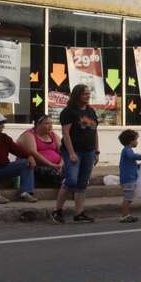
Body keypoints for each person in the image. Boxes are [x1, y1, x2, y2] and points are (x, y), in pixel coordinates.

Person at [52, 83, 99, 223]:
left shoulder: (91, 111)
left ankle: (79, 212)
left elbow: (94, 131)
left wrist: (96, 150)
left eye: (88, 93)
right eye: (85, 94)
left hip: (89, 151)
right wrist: (71, 153)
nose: (87, 96)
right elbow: (65, 134)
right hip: (74, 151)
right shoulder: (69, 112)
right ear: (77, 95)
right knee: (71, 180)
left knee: (83, 182)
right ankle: (57, 210)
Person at [0, 111, 37, 203]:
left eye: (3, 123)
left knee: (25, 163)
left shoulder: (4, 137)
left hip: (2, 169)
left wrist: (29, 156)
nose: (3, 125)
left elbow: (18, 150)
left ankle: (25, 193)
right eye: (0, 123)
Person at [17, 114, 63, 187]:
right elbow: (33, 153)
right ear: (38, 124)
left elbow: (62, 151)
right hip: (38, 166)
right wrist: (52, 165)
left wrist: (61, 164)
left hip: (57, 166)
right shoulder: (29, 134)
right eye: (47, 123)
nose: (50, 126)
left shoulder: (53, 135)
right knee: (52, 173)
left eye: (51, 123)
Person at [117, 129, 141, 224]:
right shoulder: (127, 150)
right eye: (135, 140)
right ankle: (124, 216)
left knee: (129, 198)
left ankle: (126, 214)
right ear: (130, 141)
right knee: (128, 198)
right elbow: (133, 157)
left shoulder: (128, 151)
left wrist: (139, 166)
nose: (137, 142)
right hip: (128, 179)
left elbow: (131, 163)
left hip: (130, 178)